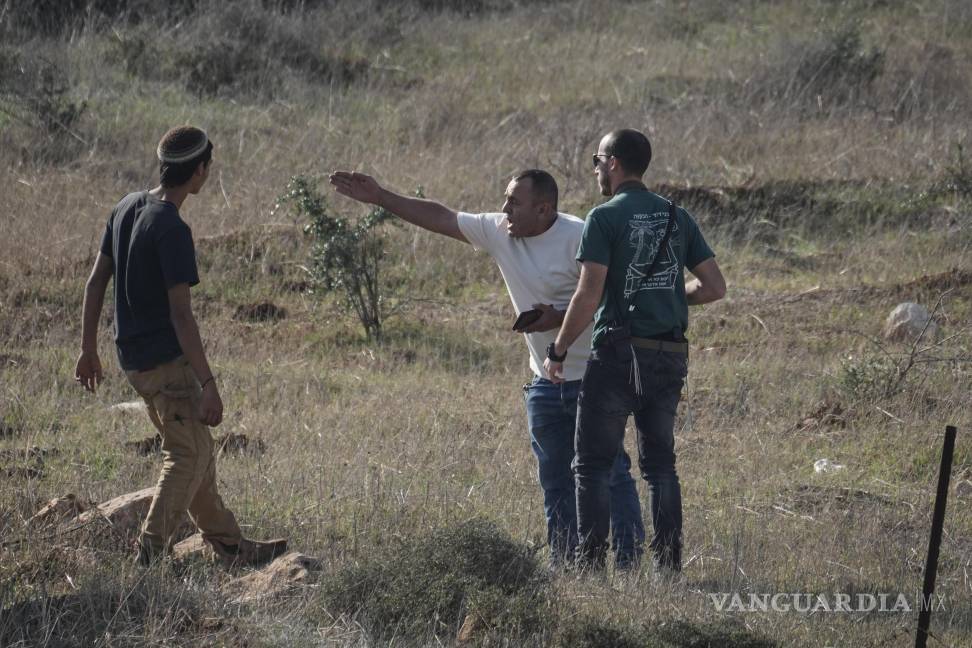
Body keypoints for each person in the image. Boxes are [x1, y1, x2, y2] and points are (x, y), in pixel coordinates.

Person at [329, 168, 645, 568]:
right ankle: (569, 566)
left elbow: (615, 298)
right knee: (555, 482)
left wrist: (558, 319)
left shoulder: (580, 235)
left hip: (596, 379)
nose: (503, 209)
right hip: (546, 380)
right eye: (505, 199)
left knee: (609, 474)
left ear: (544, 208)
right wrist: (381, 197)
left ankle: (630, 565)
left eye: (514, 202)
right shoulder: (500, 230)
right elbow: (442, 217)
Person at [74, 126, 287, 567]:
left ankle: (229, 545)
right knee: (186, 453)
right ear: (200, 171)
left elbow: (96, 282)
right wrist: (208, 382)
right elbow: (181, 315)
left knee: (197, 447)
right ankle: (149, 556)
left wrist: (87, 348)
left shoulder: (127, 206)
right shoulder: (171, 227)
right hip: (165, 365)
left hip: (132, 360)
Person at [544, 128, 726, 575]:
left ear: (613, 163)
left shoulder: (603, 217)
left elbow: (589, 294)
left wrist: (559, 347)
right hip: (668, 355)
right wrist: (671, 297)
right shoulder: (675, 216)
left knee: (590, 464)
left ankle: (591, 569)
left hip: (618, 357)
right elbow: (714, 287)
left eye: (597, 160)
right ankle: (668, 568)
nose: (595, 169)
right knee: (661, 466)